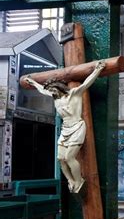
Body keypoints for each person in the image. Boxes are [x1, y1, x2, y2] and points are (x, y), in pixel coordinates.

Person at [24, 60, 106, 194]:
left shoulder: (74, 94)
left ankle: (79, 180)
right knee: (60, 159)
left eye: (53, 90)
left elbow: (87, 83)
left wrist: (97, 70)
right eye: (50, 91)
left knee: (69, 157)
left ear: (59, 88)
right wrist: (33, 82)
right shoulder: (55, 98)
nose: (51, 93)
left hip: (77, 127)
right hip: (65, 129)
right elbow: (42, 90)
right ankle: (70, 180)